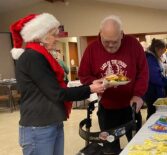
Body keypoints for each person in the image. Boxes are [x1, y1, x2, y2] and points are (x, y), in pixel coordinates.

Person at [10, 13, 105, 155]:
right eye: (54, 34)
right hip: (39, 127)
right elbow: (57, 93)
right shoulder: (33, 57)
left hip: (49, 124)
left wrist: (90, 85)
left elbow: (58, 89)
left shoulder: (41, 56)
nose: (57, 38)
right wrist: (91, 88)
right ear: (40, 35)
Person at [78, 15, 149, 154]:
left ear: (122, 34)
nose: (110, 45)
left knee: (138, 146)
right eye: (106, 41)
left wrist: (138, 95)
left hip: (131, 106)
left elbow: (143, 73)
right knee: (110, 149)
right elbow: (83, 75)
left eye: (115, 42)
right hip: (107, 108)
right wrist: (96, 82)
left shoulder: (133, 44)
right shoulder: (91, 48)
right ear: (100, 34)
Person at [143, 39, 167, 119]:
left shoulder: (153, 57)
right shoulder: (150, 59)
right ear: (158, 49)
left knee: (154, 112)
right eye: (163, 51)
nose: (163, 53)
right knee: (153, 114)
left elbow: (158, 70)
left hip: (154, 91)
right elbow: (157, 79)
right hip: (152, 92)